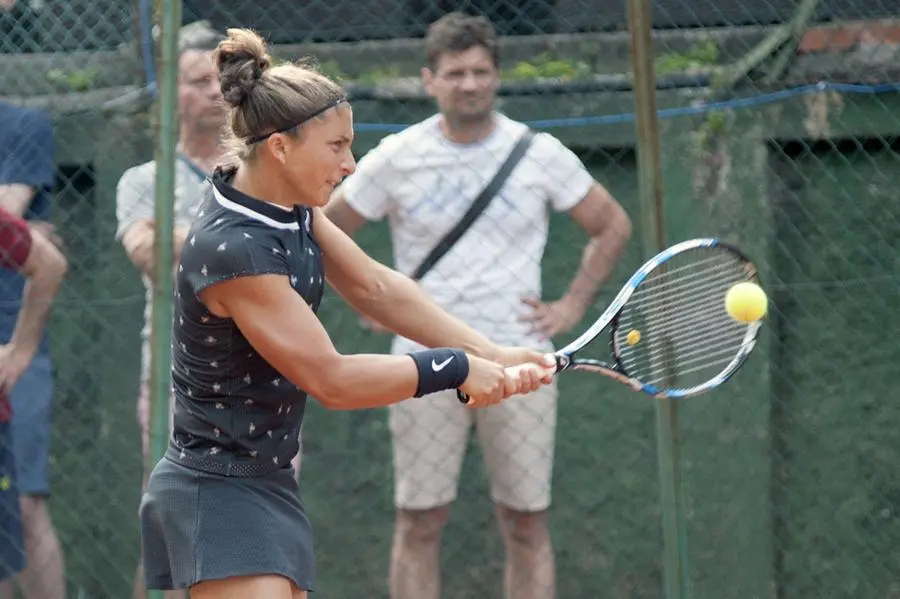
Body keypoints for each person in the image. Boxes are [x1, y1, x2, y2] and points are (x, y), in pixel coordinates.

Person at [138, 27, 556, 599]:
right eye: (336, 147)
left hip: (268, 480)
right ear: (281, 146)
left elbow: (378, 289)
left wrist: (493, 351)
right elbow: (332, 380)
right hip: (216, 489)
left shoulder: (283, 206)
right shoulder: (236, 248)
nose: (351, 164)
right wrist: (455, 368)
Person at [324, 12, 633, 599]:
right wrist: (368, 300)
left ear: (496, 77)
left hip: (521, 360)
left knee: (525, 522)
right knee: (419, 521)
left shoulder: (538, 152)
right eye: (455, 72)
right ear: (429, 80)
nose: (469, 83)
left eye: (480, 71)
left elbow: (611, 224)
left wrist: (570, 306)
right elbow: (326, 230)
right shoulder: (398, 155)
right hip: (422, 357)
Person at [115, 20, 228, 599]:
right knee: (167, 533)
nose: (213, 90)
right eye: (197, 80)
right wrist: (240, 233)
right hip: (172, 378)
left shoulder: (264, 171)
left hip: (263, 377)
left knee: (251, 538)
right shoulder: (145, 180)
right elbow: (150, 258)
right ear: (169, 91)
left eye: (221, 79)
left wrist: (181, 233)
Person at [0, 102, 68, 599]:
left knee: (24, 504)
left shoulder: (24, 123)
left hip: (10, 341)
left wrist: (18, 352)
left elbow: (9, 216)